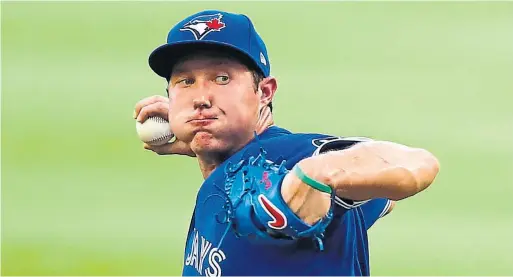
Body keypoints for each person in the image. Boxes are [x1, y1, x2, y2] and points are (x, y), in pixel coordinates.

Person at [133, 10, 440, 276]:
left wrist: (319, 172)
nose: (201, 98)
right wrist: (210, 149)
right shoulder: (228, 173)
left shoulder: (287, 158)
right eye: (185, 82)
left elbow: (415, 163)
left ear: (264, 92)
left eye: (222, 78)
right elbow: (384, 200)